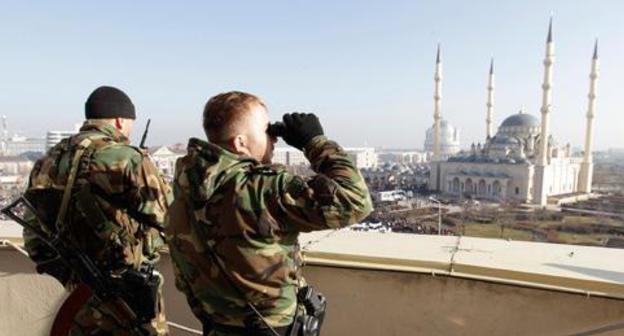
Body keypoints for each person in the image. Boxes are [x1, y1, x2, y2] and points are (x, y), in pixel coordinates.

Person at [166, 91, 373, 335]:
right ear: (241, 142)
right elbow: (355, 201)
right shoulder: (262, 188)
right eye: (268, 131)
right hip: (272, 328)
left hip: (216, 325)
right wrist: (315, 141)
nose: (274, 139)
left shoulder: (184, 184)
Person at [22, 86, 172, 335]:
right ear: (120, 121)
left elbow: (33, 234)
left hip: (77, 298)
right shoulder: (126, 158)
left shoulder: (49, 159)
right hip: (128, 296)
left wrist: (70, 274)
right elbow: (170, 217)